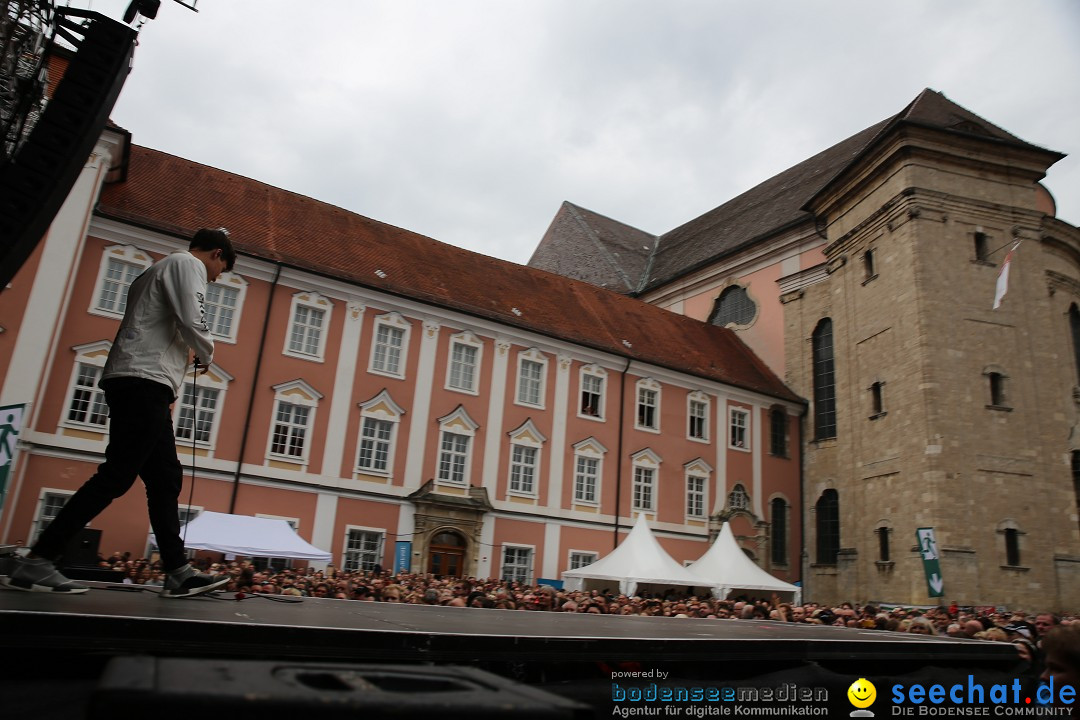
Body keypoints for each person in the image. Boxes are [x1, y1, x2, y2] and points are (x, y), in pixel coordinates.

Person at [2, 228, 236, 598]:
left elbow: (171, 321)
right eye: (218, 272)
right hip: (142, 379)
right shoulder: (187, 263)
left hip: (142, 381)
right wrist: (207, 352)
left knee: (164, 479)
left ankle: (178, 571)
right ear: (217, 255)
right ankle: (39, 559)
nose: (215, 279)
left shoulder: (157, 270)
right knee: (117, 475)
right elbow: (194, 316)